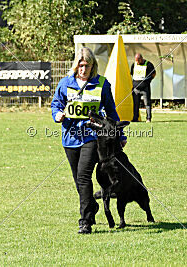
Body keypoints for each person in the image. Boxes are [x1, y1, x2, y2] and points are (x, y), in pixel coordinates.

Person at [51, 47, 127, 234]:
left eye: (87, 65)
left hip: (93, 137)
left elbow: (111, 112)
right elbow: (56, 104)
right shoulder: (65, 83)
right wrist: (57, 114)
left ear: (93, 66)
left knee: (84, 176)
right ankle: (92, 206)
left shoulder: (102, 84)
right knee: (79, 180)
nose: (84, 69)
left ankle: (85, 221)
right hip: (70, 137)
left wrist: (121, 136)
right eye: (81, 65)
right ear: (76, 65)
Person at [130, 53, 156, 123]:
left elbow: (153, 74)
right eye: (136, 61)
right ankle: (135, 118)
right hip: (135, 89)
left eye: (138, 61)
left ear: (141, 58)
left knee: (147, 103)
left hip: (145, 88)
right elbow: (132, 74)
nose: (137, 62)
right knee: (136, 104)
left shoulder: (148, 64)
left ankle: (148, 118)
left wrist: (148, 80)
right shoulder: (134, 65)